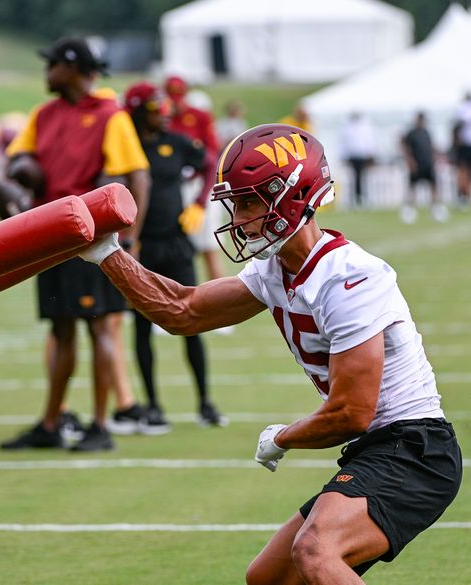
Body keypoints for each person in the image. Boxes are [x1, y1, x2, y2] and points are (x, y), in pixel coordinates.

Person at [79, 123, 462, 583]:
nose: (236, 219)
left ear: (291, 196)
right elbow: (183, 311)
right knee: (270, 578)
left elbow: (352, 413)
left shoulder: (348, 278)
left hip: (414, 450)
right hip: (376, 449)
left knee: (316, 552)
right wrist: (108, 255)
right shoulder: (276, 271)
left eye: (246, 202)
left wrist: (284, 436)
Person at [0, 37, 150, 452]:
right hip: (49, 236)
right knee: (61, 328)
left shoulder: (109, 114)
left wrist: (131, 238)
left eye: (52, 66)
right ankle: (51, 423)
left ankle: (100, 425)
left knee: (100, 325)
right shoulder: (43, 114)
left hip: (93, 237)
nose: (46, 73)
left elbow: (138, 176)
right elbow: (17, 160)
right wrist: (16, 176)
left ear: (71, 67)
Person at [122, 81, 226, 430]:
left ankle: (205, 402)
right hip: (140, 246)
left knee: (192, 317)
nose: (166, 115)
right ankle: (152, 404)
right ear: (139, 112)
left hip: (176, 241)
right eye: (157, 109)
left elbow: (211, 161)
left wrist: (199, 202)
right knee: (141, 327)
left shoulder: (176, 142)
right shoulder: (127, 147)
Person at [162, 75, 227, 285]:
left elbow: (212, 152)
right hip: (173, 187)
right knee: (177, 250)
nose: (175, 101)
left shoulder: (199, 116)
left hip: (201, 184)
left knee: (209, 247)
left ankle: (222, 305)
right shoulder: (164, 118)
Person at [401, 111, 447, 223]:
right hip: (416, 164)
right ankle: (409, 211)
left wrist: (437, 156)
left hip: (428, 163)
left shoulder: (426, 132)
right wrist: (410, 161)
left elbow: (431, 147)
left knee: (433, 187)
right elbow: (406, 148)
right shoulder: (411, 133)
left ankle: (436, 209)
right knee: (413, 187)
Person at [340, 112, 377, 208]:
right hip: (353, 155)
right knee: (355, 177)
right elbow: (345, 143)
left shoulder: (364, 127)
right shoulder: (348, 128)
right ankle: (356, 198)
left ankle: (361, 197)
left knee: (361, 177)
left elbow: (368, 141)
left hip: (362, 155)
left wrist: (370, 154)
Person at [451, 92, 471, 207]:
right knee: (463, 172)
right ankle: (462, 196)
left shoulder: (463, 109)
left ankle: (464, 195)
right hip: (464, 146)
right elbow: (457, 126)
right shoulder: (463, 109)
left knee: (464, 172)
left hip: (465, 146)